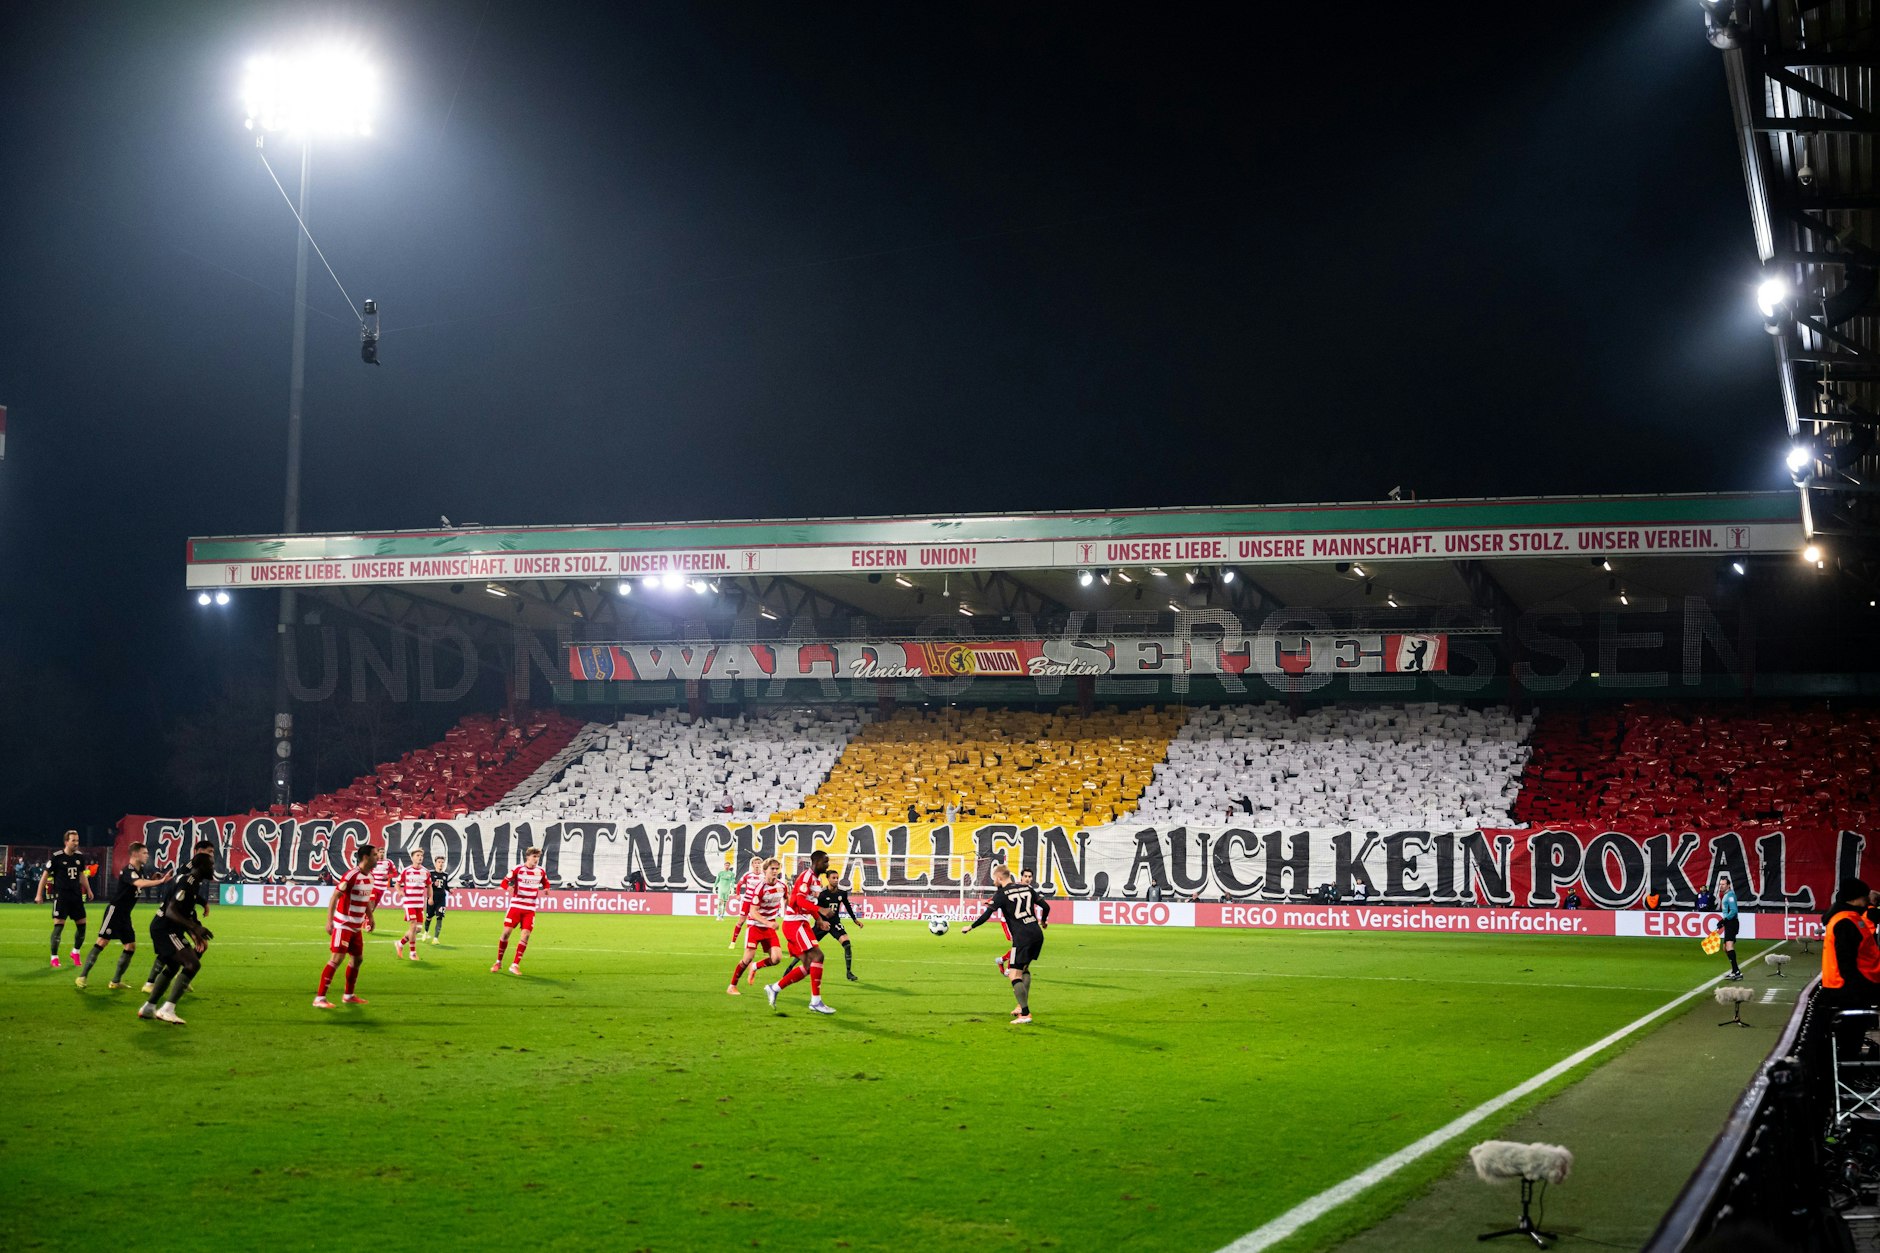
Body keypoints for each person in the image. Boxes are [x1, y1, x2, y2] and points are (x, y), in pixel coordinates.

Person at [960, 864, 1049, 1024]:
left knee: (1013, 975)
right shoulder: (1026, 888)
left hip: (1022, 937)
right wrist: (1043, 921)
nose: (994, 881)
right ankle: (1021, 1006)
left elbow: (987, 915)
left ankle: (1025, 1014)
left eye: (995, 879)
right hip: (1037, 934)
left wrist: (971, 927)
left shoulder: (1001, 894)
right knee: (1024, 970)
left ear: (1000, 878)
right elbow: (1046, 906)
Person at [76, 842, 171, 989]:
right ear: (135, 854)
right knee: (102, 941)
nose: (147, 856)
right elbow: (139, 883)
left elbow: (142, 880)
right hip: (115, 911)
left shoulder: (141, 870)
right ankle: (82, 977)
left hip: (125, 914)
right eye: (144, 853)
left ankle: (115, 981)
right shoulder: (128, 870)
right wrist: (160, 881)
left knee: (130, 946)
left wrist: (154, 877)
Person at [138, 851, 215, 1025]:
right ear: (201, 866)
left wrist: (194, 932)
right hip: (165, 929)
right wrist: (195, 928)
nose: (213, 868)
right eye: (210, 865)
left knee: (173, 966)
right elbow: (171, 911)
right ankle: (167, 1009)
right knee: (192, 964)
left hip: (168, 928)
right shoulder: (188, 882)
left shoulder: (192, 882)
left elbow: (184, 912)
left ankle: (149, 1007)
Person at [765, 849, 835, 1014]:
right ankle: (815, 1002)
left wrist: (818, 920)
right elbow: (799, 901)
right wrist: (821, 910)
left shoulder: (816, 880)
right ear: (816, 862)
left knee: (808, 965)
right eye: (825, 861)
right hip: (794, 923)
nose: (827, 864)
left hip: (801, 922)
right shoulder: (806, 877)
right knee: (818, 956)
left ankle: (774, 988)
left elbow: (809, 903)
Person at [314, 846, 379, 1009]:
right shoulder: (351, 876)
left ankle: (348, 995)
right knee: (337, 958)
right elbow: (334, 897)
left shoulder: (370, 877)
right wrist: (329, 921)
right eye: (375, 854)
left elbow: (365, 901)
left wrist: (370, 917)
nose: (378, 857)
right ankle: (320, 998)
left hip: (356, 926)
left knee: (357, 959)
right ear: (365, 857)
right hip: (343, 924)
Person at [782, 868, 864, 984]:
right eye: (833, 878)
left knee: (847, 944)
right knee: (807, 948)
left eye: (837, 878)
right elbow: (813, 907)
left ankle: (849, 972)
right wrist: (819, 921)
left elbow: (847, 906)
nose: (836, 880)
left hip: (835, 923)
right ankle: (790, 967)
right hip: (821, 924)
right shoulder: (821, 894)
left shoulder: (842, 893)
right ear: (828, 879)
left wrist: (855, 920)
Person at [1820, 877, 1880, 1012]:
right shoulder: (1845, 921)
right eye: (1864, 897)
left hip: (1850, 984)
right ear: (1854, 898)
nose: (1867, 901)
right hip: (1848, 988)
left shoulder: (1848, 917)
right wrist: (1856, 992)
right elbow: (1845, 961)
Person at [727, 859, 784, 995]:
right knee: (747, 958)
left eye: (776, 869)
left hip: (769, 928)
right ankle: (732, 986)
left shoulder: (782, 886)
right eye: (772, 869)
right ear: (765, 870)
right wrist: (768, 923)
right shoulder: (760, 888)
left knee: (776, 959)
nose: (775, 871)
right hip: (755, 926)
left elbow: (787, 898)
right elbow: (753, 912)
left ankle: (755, 966)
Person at [38, 830, 93, 968]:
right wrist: (39, 894)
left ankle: (75, 952)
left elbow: (81, 875)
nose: (76, 843)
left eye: (77, 840)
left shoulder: (79, 857)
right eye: (73, 840)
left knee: (82, 927)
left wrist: (88, 889)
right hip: (61, 897)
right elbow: (45, 876)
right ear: (66, 842)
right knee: (58, 927)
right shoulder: (56, 857)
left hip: (76, 897)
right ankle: (54, 957)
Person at [492, 847, 548, 975]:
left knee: (526, 935)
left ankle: (515, 965)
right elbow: (504, 882)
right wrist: (508, 888)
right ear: (527, 857)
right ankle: (498, 962)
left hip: (530, 908)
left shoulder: (540, 871)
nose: (536, 859)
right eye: (534, 856)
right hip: (516, 906)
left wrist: (546, 889)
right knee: (506, 933)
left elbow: (546, 882)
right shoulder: (518, 869)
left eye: (538, 857)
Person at [394, 847, 432, 961]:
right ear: (412, 858)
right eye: (417, 855)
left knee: (418, 929)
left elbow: (429, 886)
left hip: (419, 904)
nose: (420, 857)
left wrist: (430, 897)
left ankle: (400, 943)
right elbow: (397, 883)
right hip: (409, 902)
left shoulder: (425, 872)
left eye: (421, 856)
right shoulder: (407, 871)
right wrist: (400, 891)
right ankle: (412, 953)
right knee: (413, 925)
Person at [1717, 874, 1743, 980]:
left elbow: (1734, 911)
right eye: (1720, 884)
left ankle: (1736, 971)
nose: (1721, 886)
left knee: (1729, 946)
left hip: (1732, 922)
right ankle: (1734, 970)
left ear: (1728, 885)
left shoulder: (1730, 896)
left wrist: (1725, 920)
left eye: (1723, 884)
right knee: (1725, 948)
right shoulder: (1727, 895)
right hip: (1729, 923)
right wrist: (1724, 922)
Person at [423, 859, 451, 944]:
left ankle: (435, 938)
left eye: (442, 862)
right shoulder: (430, 873)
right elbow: (426, 885)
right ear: (435, 864)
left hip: (441, 899)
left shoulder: (445, 875)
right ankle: (426, 932)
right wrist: (432, 885)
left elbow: (445, 886)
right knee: (429, 917)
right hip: (432, 898)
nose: (441, 864)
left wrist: (450, 890)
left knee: (440, 917)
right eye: (439, 862)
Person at [712, 857, 737, 922]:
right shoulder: (720, 873)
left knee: (725, 904)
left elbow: (732, 882)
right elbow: (717, 880)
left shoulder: (731, 874)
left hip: (727, 890)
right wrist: (714, 887)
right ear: (724, 866)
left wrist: (732, 889)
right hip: (721, 889)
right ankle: (718, 916)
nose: (727, 866)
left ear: (729, 866)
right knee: (720, 902)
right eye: (726, 865)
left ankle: (722, 916)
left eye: (728, 865)